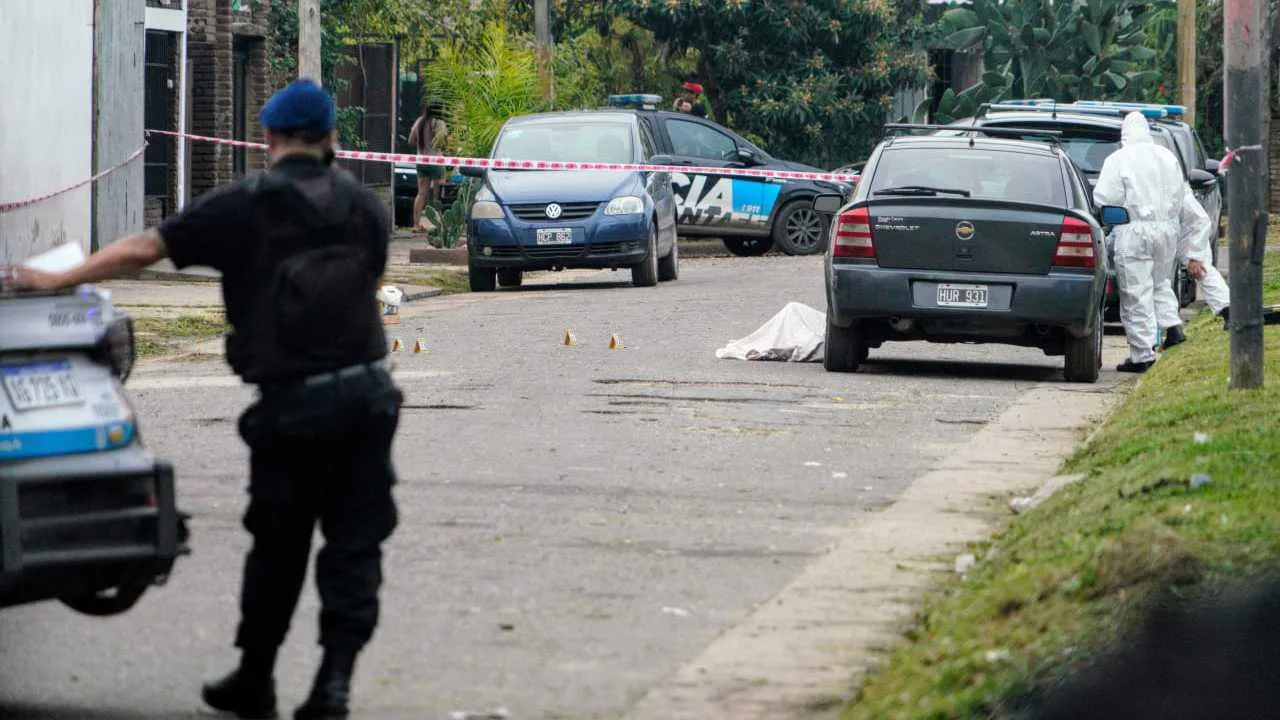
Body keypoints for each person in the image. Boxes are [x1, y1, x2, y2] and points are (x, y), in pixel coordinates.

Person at [3, 78, 402, 720]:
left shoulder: (247, 204)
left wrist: (58, 277)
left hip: (293, 408)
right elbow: (374, 278)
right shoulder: (364, 206)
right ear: (331, 138)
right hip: (367, 398)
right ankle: (334, 686)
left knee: (278, 547)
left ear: (268, 138)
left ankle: (256, 677)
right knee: (355, 546)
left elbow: (145, 249)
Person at [1093, 111, 1189, 373]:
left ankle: (1143, 355)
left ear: (1125, 134)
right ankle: (1173, 326)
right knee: (1160, 282)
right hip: (1167, 228)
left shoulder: (1119, 159)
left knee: (1136, 293)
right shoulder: (1167, 156)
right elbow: (1180, 194)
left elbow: (1104, 198)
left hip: (1134, 230)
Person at [408, 99, 449, 232]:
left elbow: (411, 140)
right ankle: (439, 225)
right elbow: (443, 144)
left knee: (421, 194)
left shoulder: (419, 122)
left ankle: (416, 224)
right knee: (438, 195)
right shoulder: (439, 123)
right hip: (436, 162)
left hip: (421, 161)